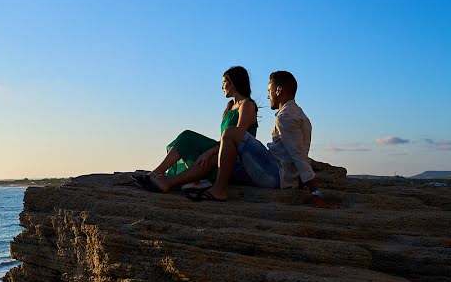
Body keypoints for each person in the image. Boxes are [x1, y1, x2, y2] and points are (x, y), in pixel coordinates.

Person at [198, 70, 336, 208]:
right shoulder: (299, 114)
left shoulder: (285, 117)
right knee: (219, 161)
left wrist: (316, 193)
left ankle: (218, 190)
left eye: (269, 90)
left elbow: (298, 156)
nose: (268, 95)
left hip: (275, 176)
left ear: (278, 90)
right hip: (281, 175)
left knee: (231, 133)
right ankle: (196, 183)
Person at [135, 66, 259, 193]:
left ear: (233, 83)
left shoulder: (247, 105)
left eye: (224, 82)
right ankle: (157, 173)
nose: (222, 87)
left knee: (188, 137)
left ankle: (161, 176)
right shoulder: (230, 107)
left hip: (235, 157)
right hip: (220, 149)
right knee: (187, 138)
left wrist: (209, 152)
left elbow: (238, 139)